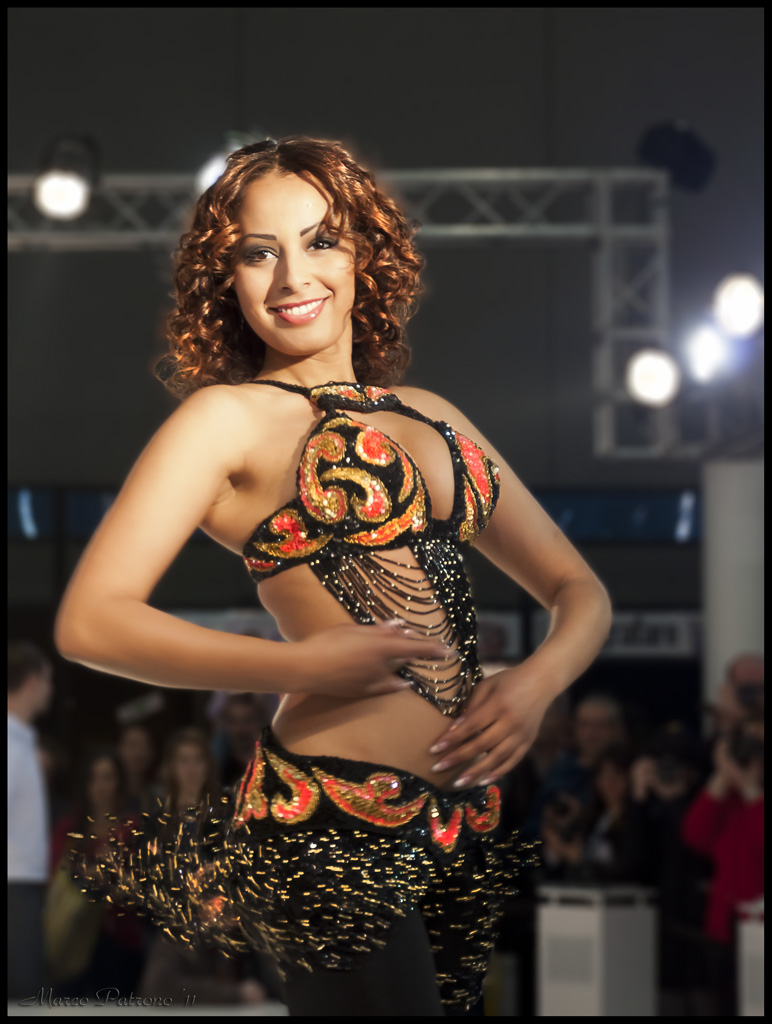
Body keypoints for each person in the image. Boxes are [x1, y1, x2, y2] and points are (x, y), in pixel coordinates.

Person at [53, 134, 613, 1016]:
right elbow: (90, 621)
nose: (291, 277)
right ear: (226, 278)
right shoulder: (223, 421)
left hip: (458, 830)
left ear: (364, 255)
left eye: (320, 240)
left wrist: (536, 685)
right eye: (258, 253)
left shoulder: (433, 414)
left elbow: (581, 592)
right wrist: (301, 665)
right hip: (320, 825)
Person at [8, 640, 54, 1002]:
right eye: (49, 680)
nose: (51, 690)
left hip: (22, 884)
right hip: (13, 885)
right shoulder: (10, 745)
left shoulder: (20, 742)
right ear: (33, 680)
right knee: (22, 994)